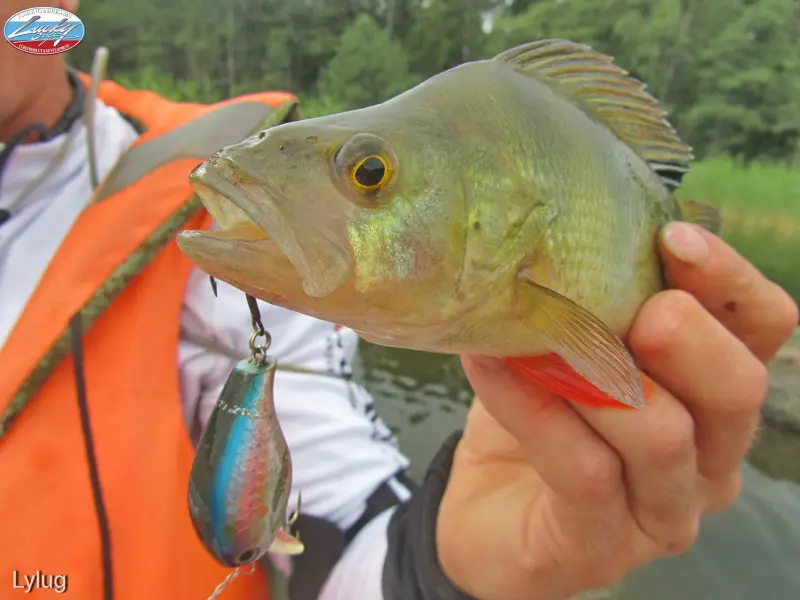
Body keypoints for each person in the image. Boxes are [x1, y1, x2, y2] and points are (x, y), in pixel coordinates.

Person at [1, 2, 798, 600]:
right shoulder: (241, 209)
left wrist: (450, 559)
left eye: (369, 177)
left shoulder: (224, 248)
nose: (361, 183)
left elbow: (346, 527)